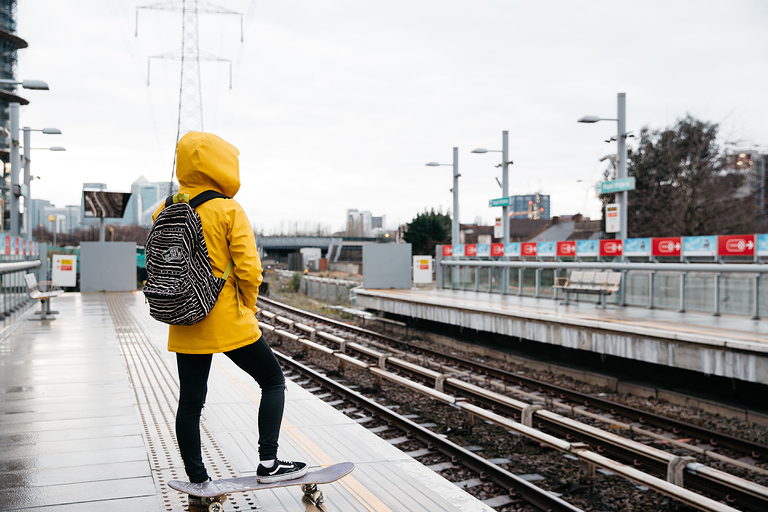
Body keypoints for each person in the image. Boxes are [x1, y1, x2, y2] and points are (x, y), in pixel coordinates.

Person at [153, 132, 306, 501]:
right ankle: (268, 464)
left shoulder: (165, 208)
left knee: (191, 401)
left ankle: (198, 481)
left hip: (184, 316)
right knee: (272, 381)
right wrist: (248, 305)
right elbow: (250, 270)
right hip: (226, 318)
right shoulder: (228, 209)